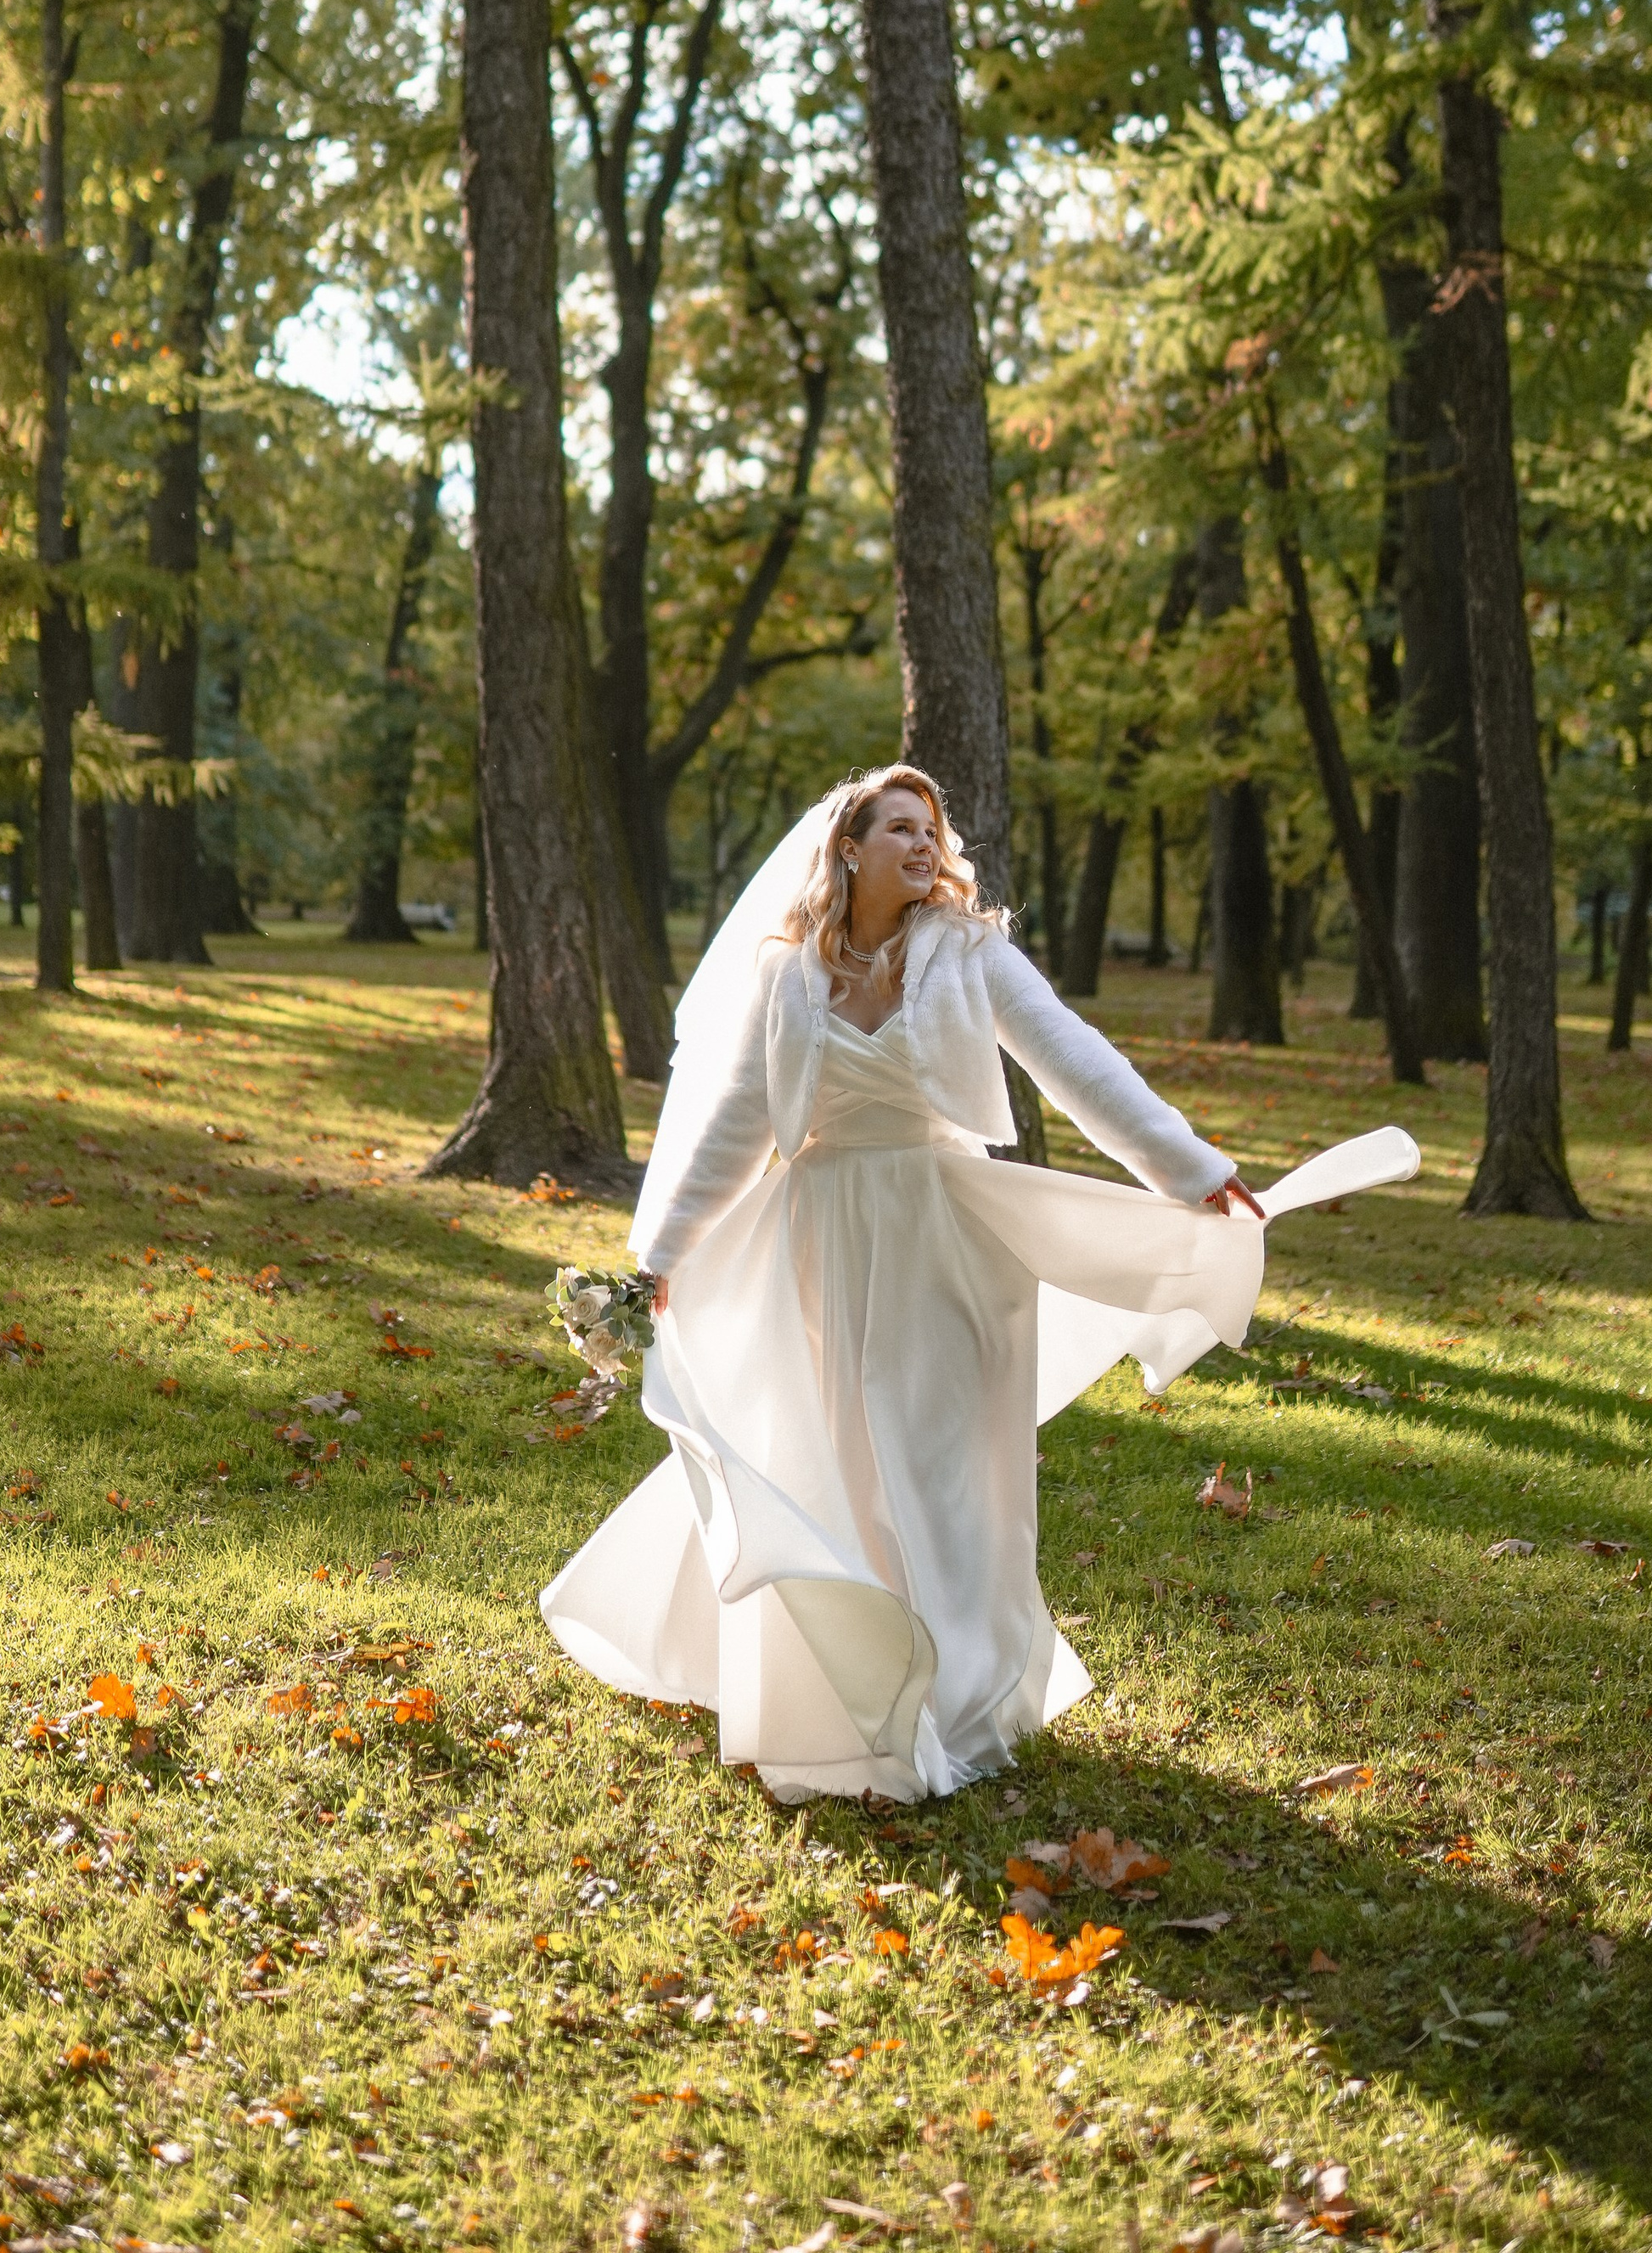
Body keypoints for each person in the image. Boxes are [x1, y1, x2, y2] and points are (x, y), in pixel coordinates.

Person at [543, 763, 1312, 1804]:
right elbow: (737, 1122)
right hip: (822, 1240)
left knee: (948, 1470)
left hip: (945, 1236)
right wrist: (664, 1253)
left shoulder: (968, 952)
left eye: (931, 830)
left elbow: (1075, 1063)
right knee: (847, 1465)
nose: (922, 844)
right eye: (897, 827)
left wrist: (1196, 1169)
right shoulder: (789, 974)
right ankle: (868, 1693)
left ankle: (959, 1701)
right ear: (847, 847)